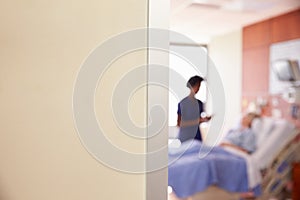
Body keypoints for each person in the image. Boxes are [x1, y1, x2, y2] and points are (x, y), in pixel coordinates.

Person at [177, 75, 211, 143]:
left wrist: (205, 119)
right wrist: (198, 121)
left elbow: (200, 119)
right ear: (192, 86)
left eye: (199, 86)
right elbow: (179, 123)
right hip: (186, 137)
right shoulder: (182, 103)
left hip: (197, 137)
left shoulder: (200, 103)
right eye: (197, 86)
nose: (198, 88)